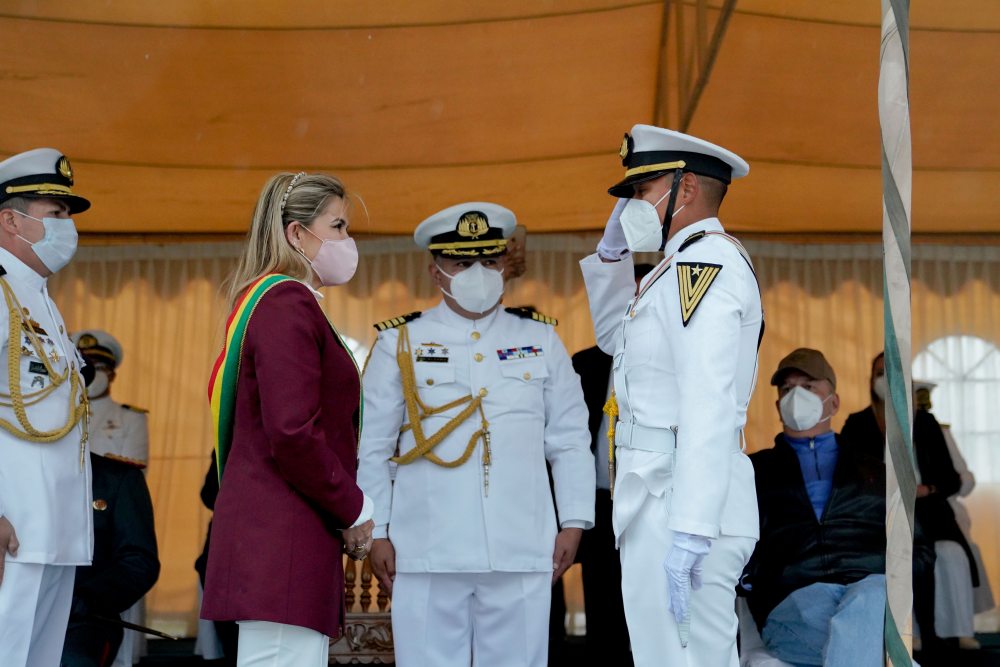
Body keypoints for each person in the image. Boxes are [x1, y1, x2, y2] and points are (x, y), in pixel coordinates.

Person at [358, 202, 595, 667]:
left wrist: (573, 520)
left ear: (505, 264)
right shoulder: (398, 342)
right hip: (426, 547)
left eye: (489, 260)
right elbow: (374, 448)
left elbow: (569, 439)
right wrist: (377, 531)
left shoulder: (541, 339)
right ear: (435, 272)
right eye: (462, 263)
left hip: (521, 544)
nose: (478, 273)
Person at [580, 125, 762, 666]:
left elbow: (708, 400)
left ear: (686, 189)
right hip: (660, 493)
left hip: (681, 499)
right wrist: (610, 257)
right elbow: (616, 339)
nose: (633, 205)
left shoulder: (707, 266)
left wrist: (692, 529)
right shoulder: (673, 268)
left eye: (642, 190)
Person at [200, 172, 374, 666]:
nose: (347, 240)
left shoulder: (279, 301)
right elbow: (293, 433)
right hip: (282, 538)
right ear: (297, 233)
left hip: (286, 537)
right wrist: (353, 508)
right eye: (337, 226)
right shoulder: (285, 303)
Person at [0, 148, 94, 667]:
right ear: (11, 220)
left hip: (53, 531)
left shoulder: (40, 298)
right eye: (55, 213)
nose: (66, 226)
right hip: (14, 527)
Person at [742, 348, 887, 666]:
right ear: (778, 407)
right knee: (865, 630)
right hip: (792, 596)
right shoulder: (753, 472)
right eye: (787, 389)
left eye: (808, 387)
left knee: (877, 590)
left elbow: (916, 547)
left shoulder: (875, 472)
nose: (796, 396)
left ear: (833, 403)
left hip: (865, 586)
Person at [841, 353, 978, 650]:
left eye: (891, 371)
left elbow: (951, 479)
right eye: (879, 372)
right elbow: (847, 477)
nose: (885, 379)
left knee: (928, 550)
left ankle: (932, 634)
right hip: (878, 511)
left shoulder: (926, 422)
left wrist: (926, 489)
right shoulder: (858, 424)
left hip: (926, 509)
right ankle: (905, 632)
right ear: (870, 380)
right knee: (900, 549)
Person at [563, 262, 654, 667]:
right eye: (628, 295)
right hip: (599, 500)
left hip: (653, 502)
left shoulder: (673, 361)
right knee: (603, 608)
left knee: (652, 607)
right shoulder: (585, 363)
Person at [72, 329, 151, 666]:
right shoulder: (56, 410)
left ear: (112, 373)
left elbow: (128, 472)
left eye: (99, 367)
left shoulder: (130, 417)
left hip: (110, 520)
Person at [61, 451, 159, 667]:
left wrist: (90, 598)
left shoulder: (116, 477)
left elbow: (139, 561)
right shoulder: (10, 476)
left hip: (81, 620)